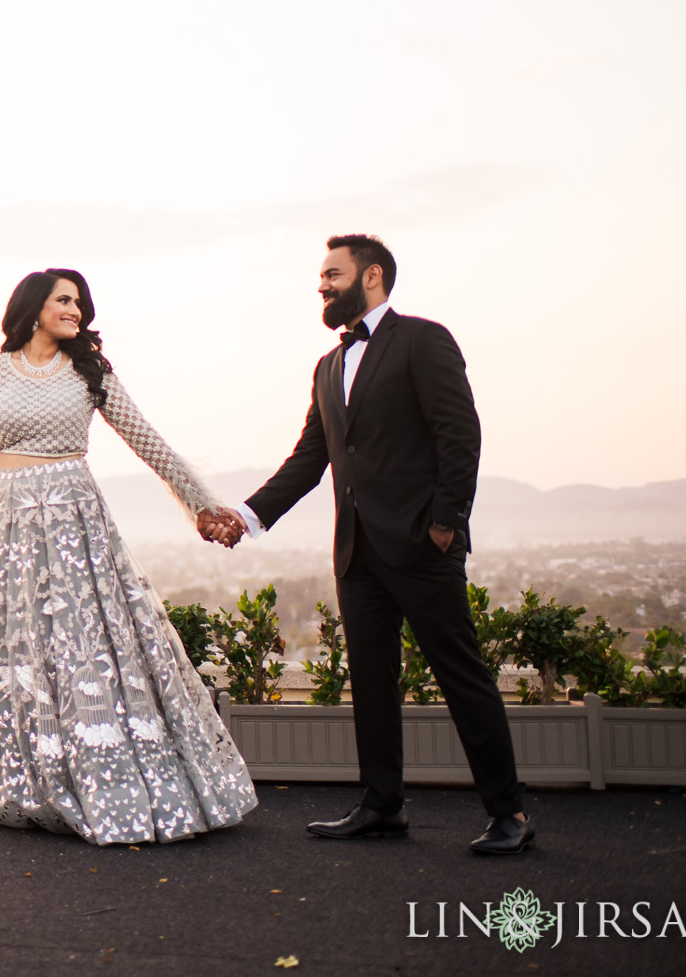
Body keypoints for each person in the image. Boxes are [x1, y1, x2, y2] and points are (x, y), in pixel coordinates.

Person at [202, 235, 532, 855]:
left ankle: (508, 812)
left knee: (462, 676)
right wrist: (243, 518)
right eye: (321, 276)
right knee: (372, 683)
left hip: (422, 546)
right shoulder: (328, 367)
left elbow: (460, 435)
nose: (321, 285)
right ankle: (382, 805)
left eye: (332, 274)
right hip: (357, 553)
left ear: (371, 276)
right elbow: (309, 460)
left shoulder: (423, 340)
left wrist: (444, 524)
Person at [0, 267, 256, 845]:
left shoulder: (89, 371)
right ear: (33, 307)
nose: (76, 310)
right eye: (64, 300)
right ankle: (29, 785)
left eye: (80, 303)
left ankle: (109, 783)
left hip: (75, 522)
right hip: (13, 523)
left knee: (86, 644)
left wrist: (203, 506)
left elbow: (148, 440)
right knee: (27, 648)